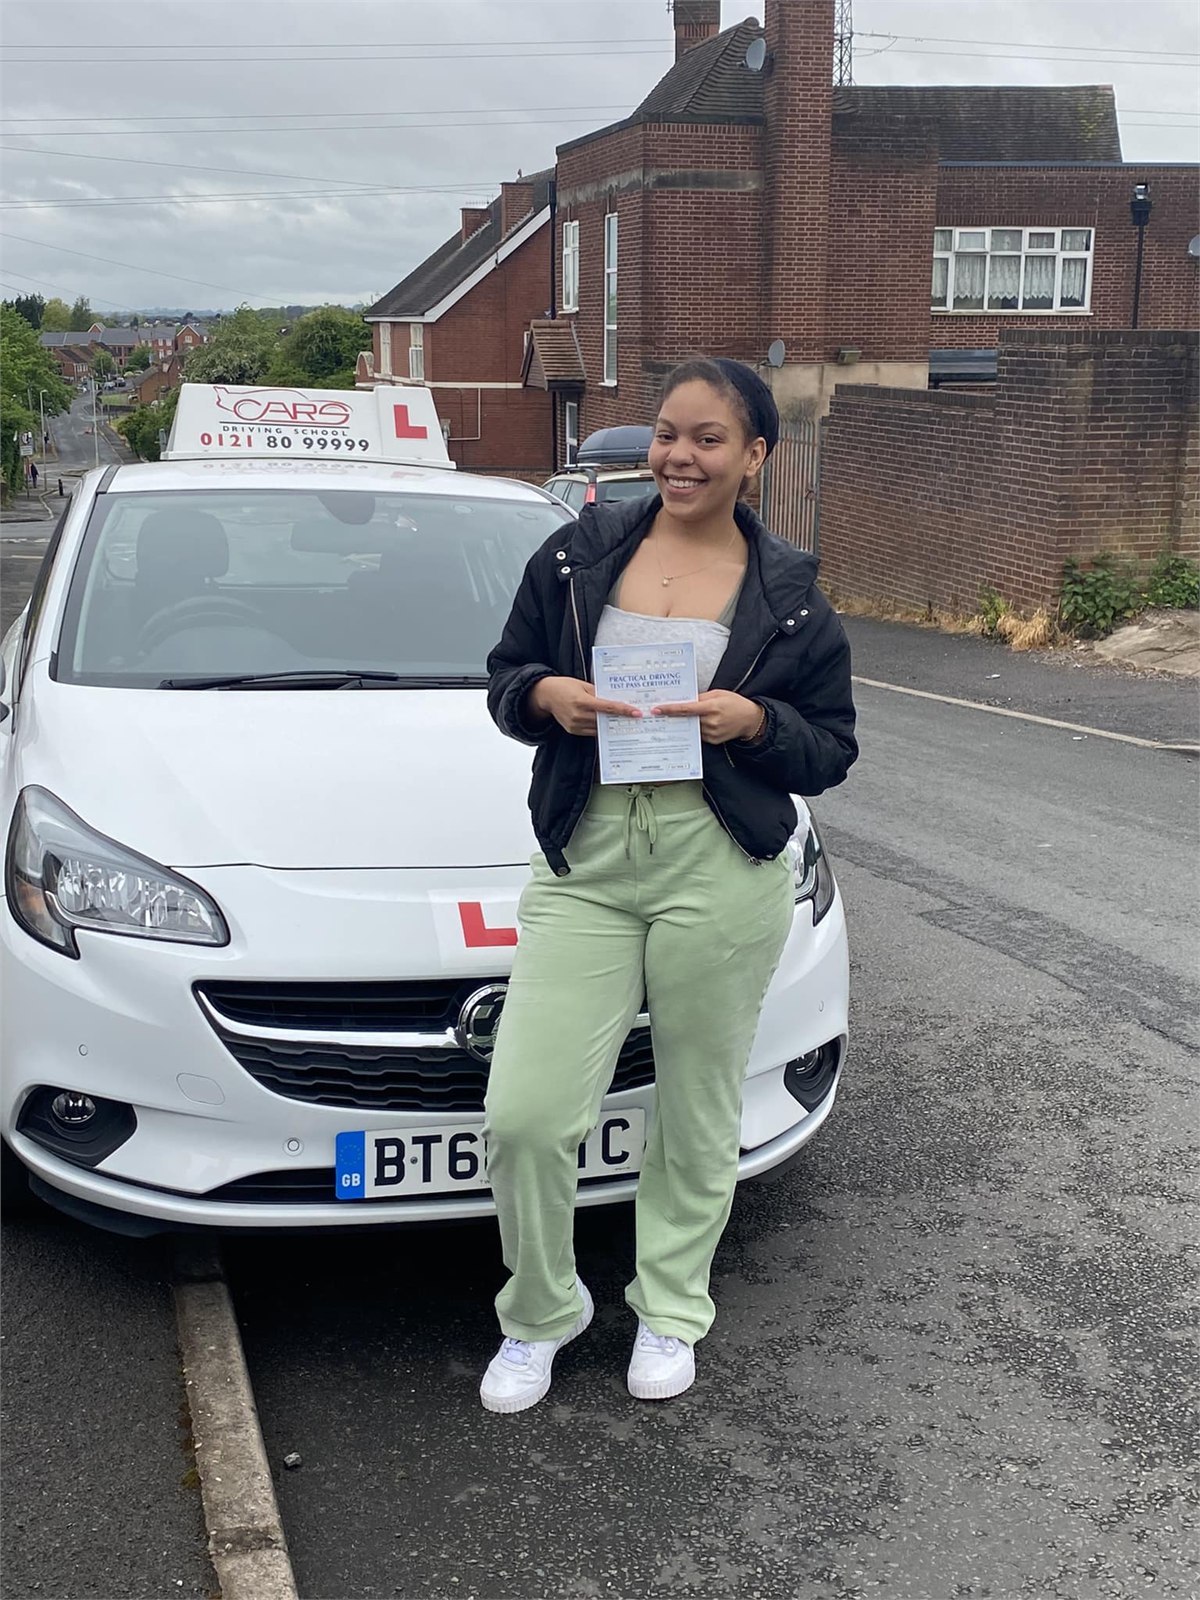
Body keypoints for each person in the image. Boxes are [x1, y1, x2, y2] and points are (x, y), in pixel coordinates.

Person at [482, 357, 858, 1413]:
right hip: (589, 860)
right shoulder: (575, 555)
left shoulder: (788, 595)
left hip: (718, 863)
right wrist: (549, 693)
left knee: (697, 1107)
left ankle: (670, 1305)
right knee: (526, 1113)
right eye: (666, 433)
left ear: (755, 456)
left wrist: (758, 724)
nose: (679, 455)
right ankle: (541, 1311)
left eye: (706, 438)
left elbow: (830, 748)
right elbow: (505, 678)